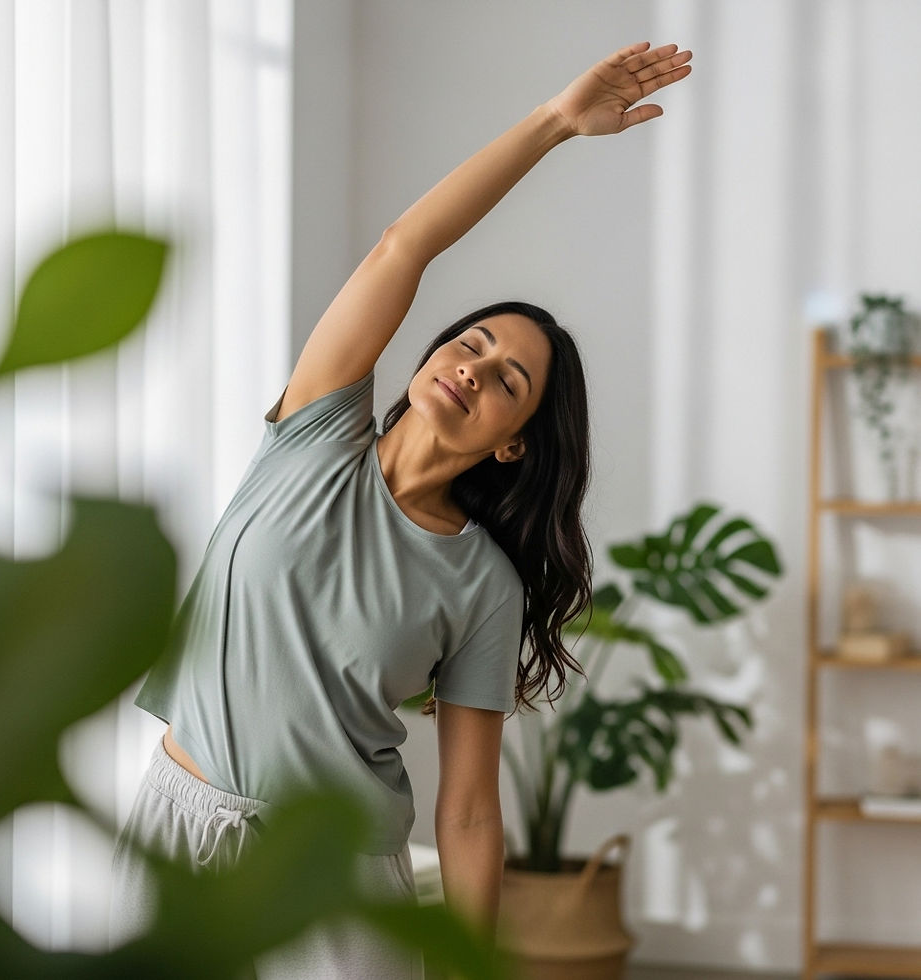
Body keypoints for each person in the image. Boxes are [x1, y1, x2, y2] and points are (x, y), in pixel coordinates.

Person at [109, 39, 692, 979]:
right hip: (178, 831)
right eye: (471, 342)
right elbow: (404, 245)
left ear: (514, 442)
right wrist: (552, 122)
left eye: (509, 380)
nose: (474, 366)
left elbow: (466, 808)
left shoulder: (483, 585)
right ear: (427, 358)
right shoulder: (313, 435)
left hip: (333, 885)